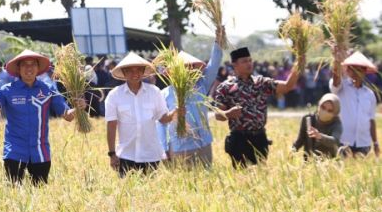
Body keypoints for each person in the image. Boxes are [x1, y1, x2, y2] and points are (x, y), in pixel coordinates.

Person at [0, 49, 84, 185]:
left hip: (40, 151)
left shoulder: (48, 89)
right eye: (24, 64)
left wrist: (78, 108)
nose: (29, 68)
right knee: (13, 192)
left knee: (41, 193)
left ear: (38, 67)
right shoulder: (7, 90)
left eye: (33, 64)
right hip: (14, 151)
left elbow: (67, 115)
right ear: (18, 68)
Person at [214, 47, 304, 168]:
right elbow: (218, 115)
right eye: (244, 61)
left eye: (250, 60)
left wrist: (299, 64)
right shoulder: (225, 87)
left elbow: (288, 86)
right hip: (239, 140)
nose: (249, 63)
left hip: (259, 138)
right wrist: (229, 113)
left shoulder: (261, 83)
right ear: (234, 64)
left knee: (260, 176)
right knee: (242, 178)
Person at [158, 28, 224, 168]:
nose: (188, 70)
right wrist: (163, 150)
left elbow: (214, 63)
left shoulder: (201, 86)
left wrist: (218, 41)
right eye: (183, 67)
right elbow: (161, 124)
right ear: (173, 71)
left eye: (190, 67)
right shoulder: (165, 94)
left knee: (206, 183)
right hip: (179, 147)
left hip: (203, 144)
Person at [105, 52, 176, 177]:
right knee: (128, 194)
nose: (135, 74)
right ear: (124, 72)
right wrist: (112, 154)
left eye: (139, 70)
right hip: (126, 155)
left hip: (151, 154)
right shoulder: (114, 95)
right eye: (130, 71)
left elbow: (163, 119)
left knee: (150, 193)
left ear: (143, 72)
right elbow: (111, 125)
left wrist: (175, 112)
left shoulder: (154, 92)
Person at [330, 51, 378, 157]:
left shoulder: (369, 94)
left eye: (360, 69)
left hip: (363, 143)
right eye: (353, 68)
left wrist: (375, 143)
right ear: (347, 70)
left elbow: (371, 120)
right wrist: (336, 62)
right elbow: (335, 82)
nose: (356, 71)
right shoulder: (342, 87)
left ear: (365, 71)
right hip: (343, 141)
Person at [292, 93, 343, 159]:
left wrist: (320, 136)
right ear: (319, 104)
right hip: (309, 163)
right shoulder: (308, 119)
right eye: (323, 107)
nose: (325, 111)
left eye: (329, 110)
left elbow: (335, 141)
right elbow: (300, 140)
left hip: (328, 163)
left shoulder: (337, 124)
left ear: (335, 113)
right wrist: (292, 151)